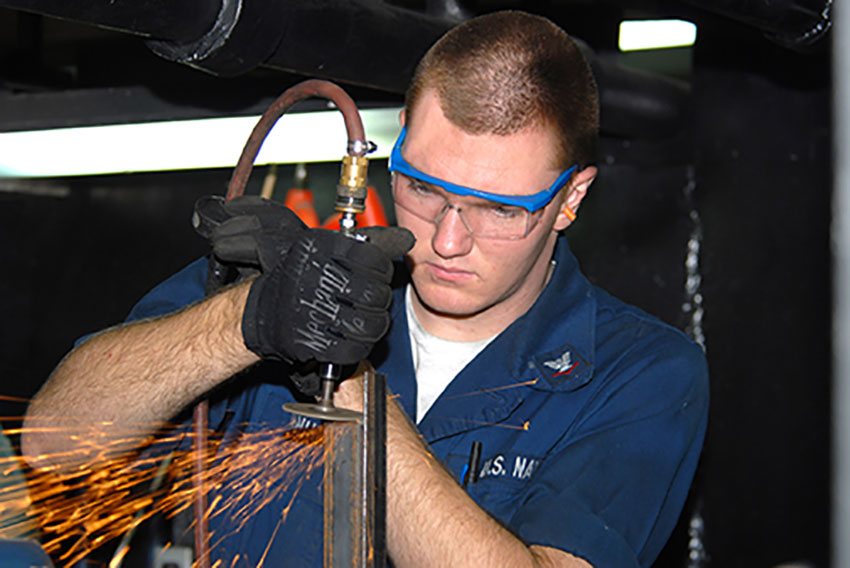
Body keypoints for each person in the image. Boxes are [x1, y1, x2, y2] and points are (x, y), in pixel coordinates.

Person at [22, 10, 708, 567]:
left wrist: (342, 373)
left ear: (570, 200)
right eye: (421, 188)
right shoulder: (280, 292)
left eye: (501, 210)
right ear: (396, 146)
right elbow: (53, 442)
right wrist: (248, 318)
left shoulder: (640, 372)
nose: (446, 239)